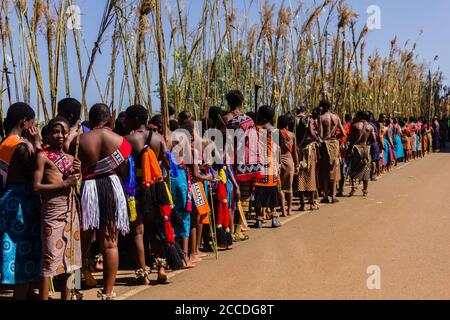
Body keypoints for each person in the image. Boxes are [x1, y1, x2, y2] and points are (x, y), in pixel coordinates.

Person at [125, 105, 185, 283]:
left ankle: (143, 274)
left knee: (138, 231)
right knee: (154, 228)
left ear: (135, 119)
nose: (125, 121)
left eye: (128, 118)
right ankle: (160, 267)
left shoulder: (127, 139)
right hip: (156, 188)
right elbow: (168, 165)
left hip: (136, 187)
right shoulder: (159, 139)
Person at [78, 104, 131, 300]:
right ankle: (107, 293)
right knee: (110, 244)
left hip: (89, 188)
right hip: (113, 186)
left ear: (90, 120)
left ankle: (74, 289)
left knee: (81, 243)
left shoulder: (80, 140)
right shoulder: (122, 142)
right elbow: (124, 172)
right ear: (110, 120)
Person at [33, 117, 82, 300]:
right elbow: (36, 187)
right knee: (50, 258)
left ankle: (71, 296)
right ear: (48, 134)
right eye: (55, 131)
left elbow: (75, 186)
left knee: (73, 258)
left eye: (63, 132)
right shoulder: (43, 156)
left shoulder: (71, 158)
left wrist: (78, 172)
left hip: (72, 213)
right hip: (52, 213)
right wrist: (64, 183)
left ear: (69, 134)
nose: (60, 135)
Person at [0, 102, 42, 300]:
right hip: (22, 204)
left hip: (6, 200)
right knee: (23, 253)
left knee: (10, 247)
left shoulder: (3, 143)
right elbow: (38, 170)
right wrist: (37, 144)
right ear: (24, 122)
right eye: (32, 122)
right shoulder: (23, 146)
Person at [253, 106, 281, 228]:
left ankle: (259, 220)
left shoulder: (255, 129)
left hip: (259, 164)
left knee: (259, 192)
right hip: (272, 164)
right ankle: (274, 218)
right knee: (273, 191)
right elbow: (277, 148)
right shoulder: (275, 130)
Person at [317, 100, 345, 204]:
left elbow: (320, 134)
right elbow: (343, 133)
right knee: (334, 170)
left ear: (323, 107)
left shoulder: (321, 118)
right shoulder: (336, 117)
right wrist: (336, 139)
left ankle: (325, 196)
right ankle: (333, 196)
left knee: (324, 171)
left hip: (325, 145)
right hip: (335, 144)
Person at [296, 107, 320, 211]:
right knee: (311, 175)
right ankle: (312, 202)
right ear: (305, 111)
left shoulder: (294, 120)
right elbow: (310, 132)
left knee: (300, 176)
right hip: (308, 150)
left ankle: (302, 204)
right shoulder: (307, 120)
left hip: (298, 150)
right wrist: (317, 138)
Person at [348, 111, 376, 197]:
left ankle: (353, 187)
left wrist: (350, 149)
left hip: (356, 149)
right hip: (366, 148)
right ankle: (365, 190)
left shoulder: (355, 126)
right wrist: (368, 143)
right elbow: (374, 139)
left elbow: (351, 139)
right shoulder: (370, 127)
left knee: (354, 168)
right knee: (366, 168)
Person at [277, 115, 298, 217]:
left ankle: (283, 211)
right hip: (290, 162)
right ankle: (289, 210)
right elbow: (295, 152)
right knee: (289, 188)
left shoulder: (276, 133)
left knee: (280, 187)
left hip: (279, 161)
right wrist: (297, 164)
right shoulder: (292, 135)